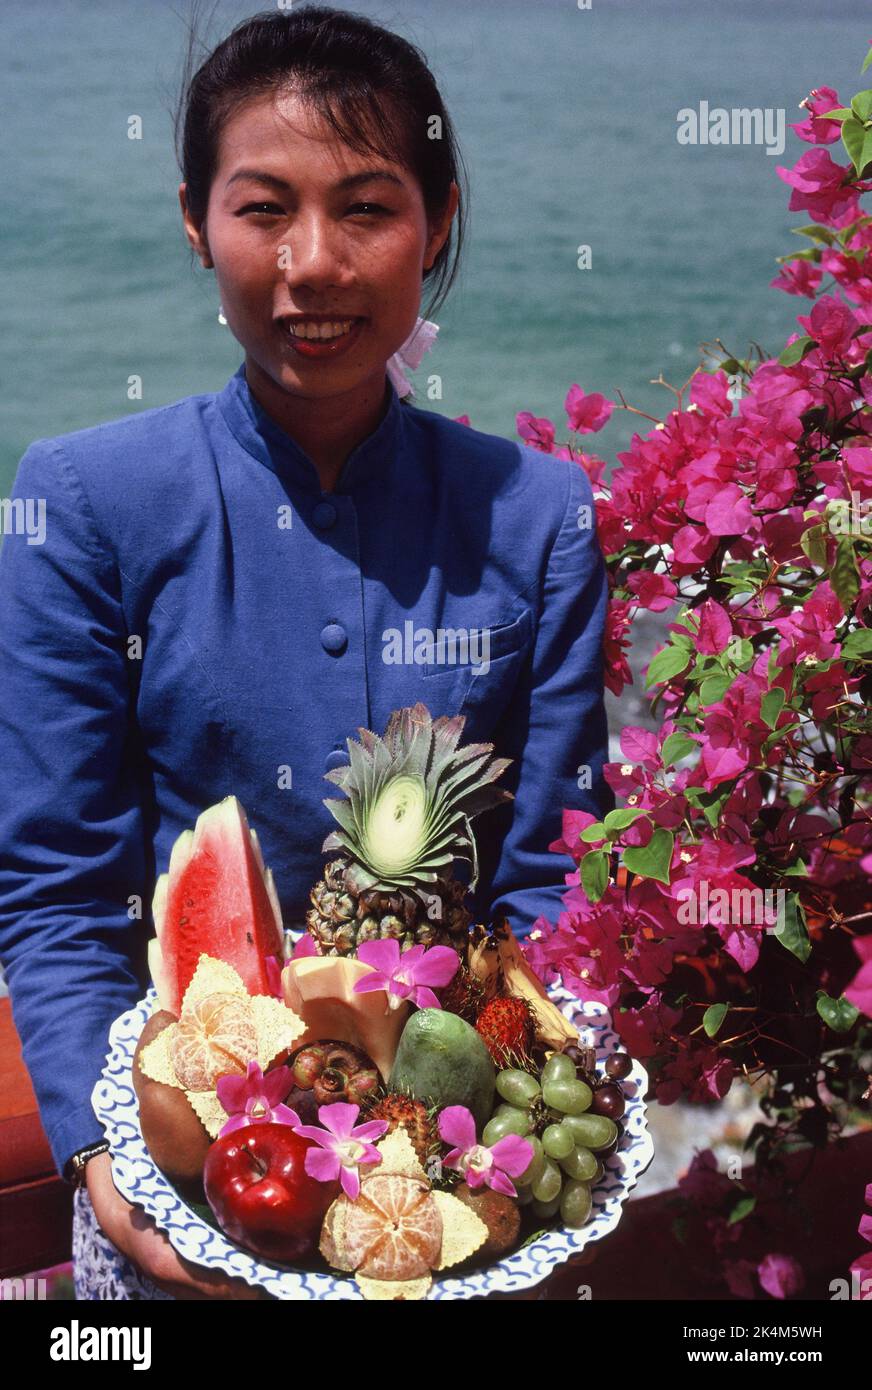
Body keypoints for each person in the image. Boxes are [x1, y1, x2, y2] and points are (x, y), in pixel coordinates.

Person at [0, 5, 612, 1300]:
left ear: (438, 221)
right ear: (194, 221)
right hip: (181, 1176)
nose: (313, 263)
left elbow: (551, 877)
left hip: (454, 1187)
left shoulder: (541, 517)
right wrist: (105, 1160)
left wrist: (493, 1162)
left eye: (369, 209)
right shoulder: (84, 503)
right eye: (263, 208)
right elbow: (59, 888)